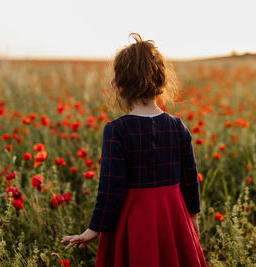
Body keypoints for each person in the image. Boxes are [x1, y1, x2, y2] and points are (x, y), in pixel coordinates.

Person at [61, 33, 207, 267]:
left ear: (118, 88)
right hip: (173, 216)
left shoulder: (117, 130)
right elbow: (190, 179)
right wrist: (192, 217)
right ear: (161, 85)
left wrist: (93, 229)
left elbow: (110, 186)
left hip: (135, 218)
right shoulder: (177, 126)